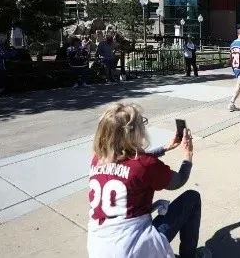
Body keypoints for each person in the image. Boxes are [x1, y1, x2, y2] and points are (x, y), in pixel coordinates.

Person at [87, 104, 210, 258]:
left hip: (99, 247)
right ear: (132, 133)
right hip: (131, 249)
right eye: (141, 123)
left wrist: (166, 148)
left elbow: (132, 160)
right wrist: (188, 156)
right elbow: (179, 181)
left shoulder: (97, 159)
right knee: (192, 197)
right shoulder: (145, 165)